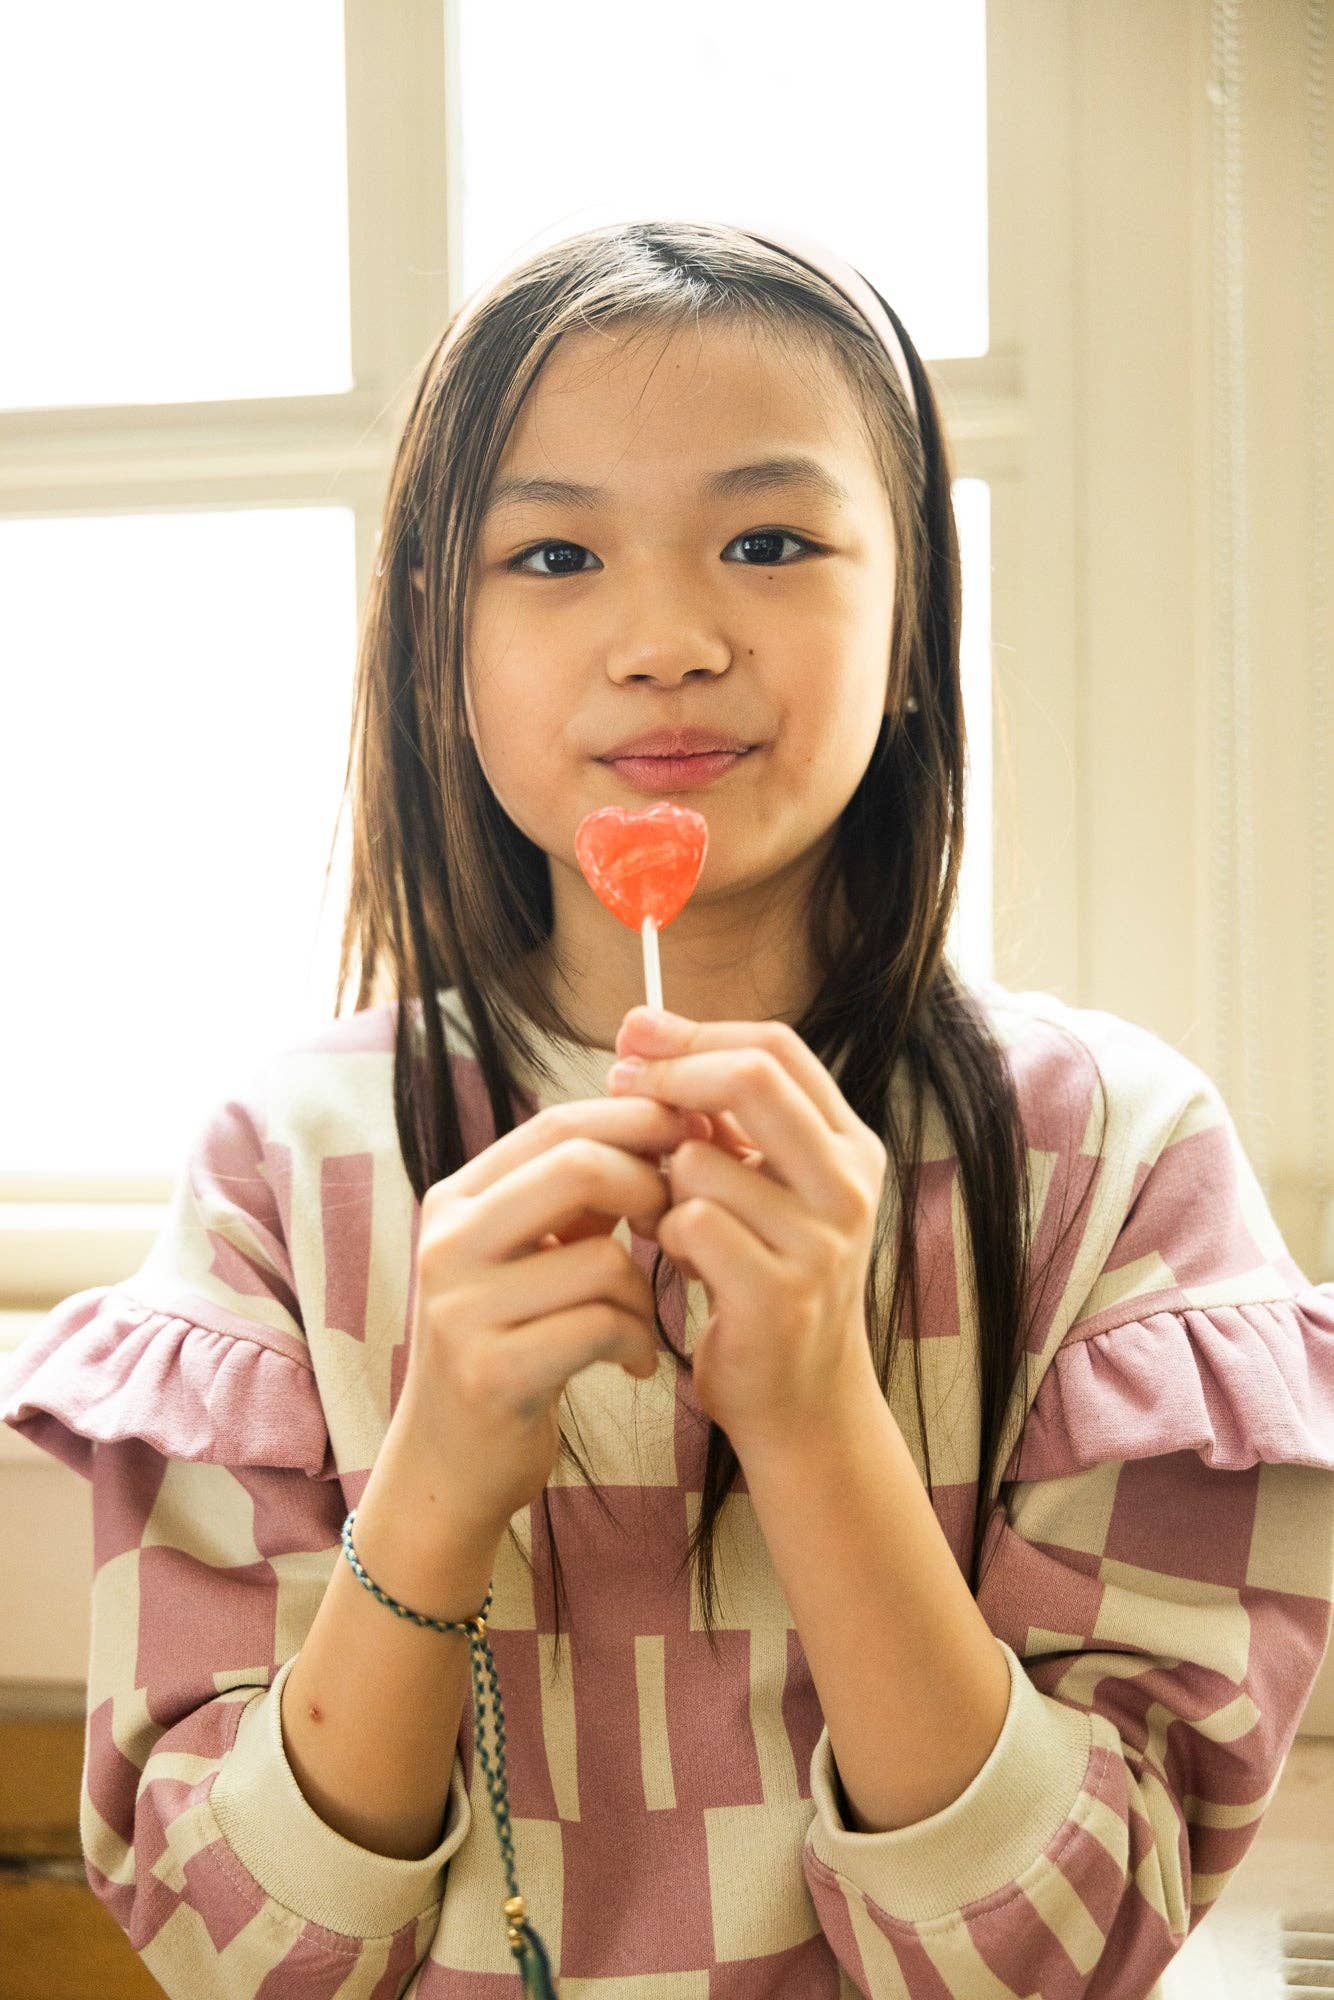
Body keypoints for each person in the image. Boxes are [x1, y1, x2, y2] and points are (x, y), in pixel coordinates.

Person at [4, 218, 1333, 2000]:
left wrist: (809, 1412)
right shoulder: (285, 1171)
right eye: (551, 553)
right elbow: (250, 1955)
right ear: (434, 654)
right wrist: (442, 1471)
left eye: (770, 541)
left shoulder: (1111, 1156)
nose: (665, 638)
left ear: (912, 617)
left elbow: (1058, 1954)